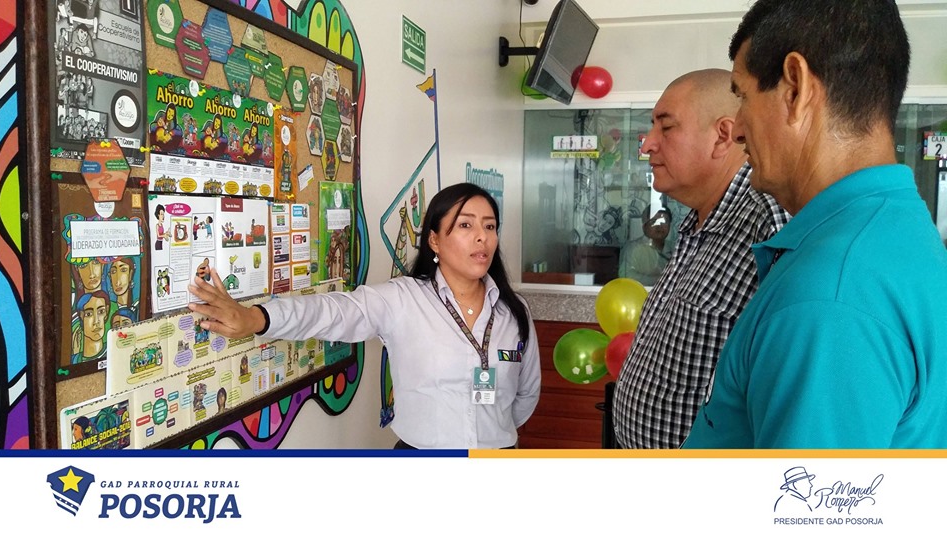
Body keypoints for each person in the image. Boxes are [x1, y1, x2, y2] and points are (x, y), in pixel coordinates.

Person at [683, 0, 947, 448]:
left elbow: (804, 495)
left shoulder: (831, 297)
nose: (738, 129)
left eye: (743, 96)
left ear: (796, 88)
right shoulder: (895, 228)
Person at [188, 183, 541, 449]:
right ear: (434, 240)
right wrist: (256, 318)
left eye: (490, 227)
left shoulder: (514, 311)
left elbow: (525, 395)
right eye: (466, 226)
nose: (482, 238)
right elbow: (332, 312)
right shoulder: (403, 299)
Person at [612, 69, 790, 449]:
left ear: (723, 135)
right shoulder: (695, 222)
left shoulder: (767, 226)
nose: (647, 145)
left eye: (666, 127)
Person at [620, 205, 672, 286]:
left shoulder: (676, 248)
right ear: (644, 226)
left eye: (664, 221)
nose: (659, 226)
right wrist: (660, 280)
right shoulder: (632, 248)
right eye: (653, 221)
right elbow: (626, 277)